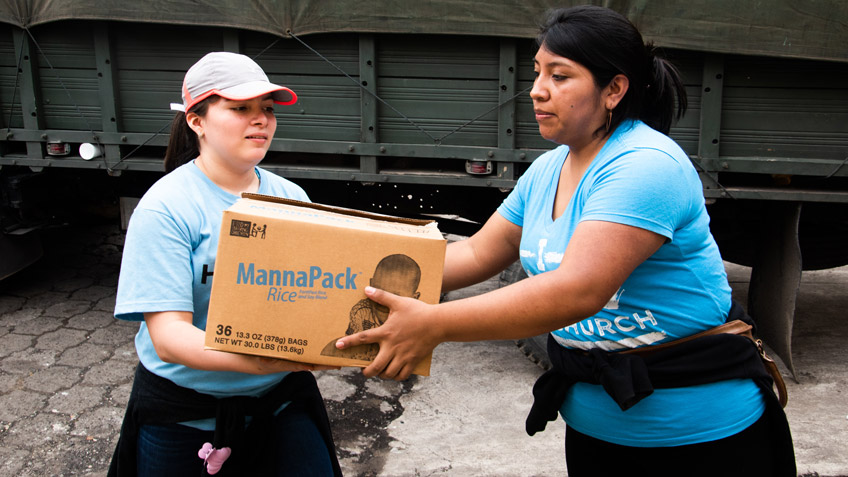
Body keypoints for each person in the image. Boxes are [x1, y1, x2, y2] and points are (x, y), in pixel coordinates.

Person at [335, 6, 795, 476]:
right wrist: (349, 275)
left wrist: (434, 324)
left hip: (701, 440)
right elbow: (476, 252)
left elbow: (578, 290)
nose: (536, 89)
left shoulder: (646, 165)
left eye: (560, 76)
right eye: (537, 73)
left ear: (613, 89)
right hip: (598, 431)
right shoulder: (549, 168)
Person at [109, 52, 341, 477]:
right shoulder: (166, 208)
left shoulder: (290, 198)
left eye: (267, 110)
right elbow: (170, 338)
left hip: (279, 402)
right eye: (240, 109)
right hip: (184, 417)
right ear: (197, 120)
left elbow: (315, 296)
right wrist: (260, 361)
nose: (261, 121)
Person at [321, 254, 422, 361]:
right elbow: (352, 343)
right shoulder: (361, 311)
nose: (383, 300)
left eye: (395, 296)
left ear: (414, 298)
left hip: (396, 351)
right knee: (331, 349)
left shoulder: (413, 318)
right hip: (362, 349)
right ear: (371, 284)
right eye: (379, 290)